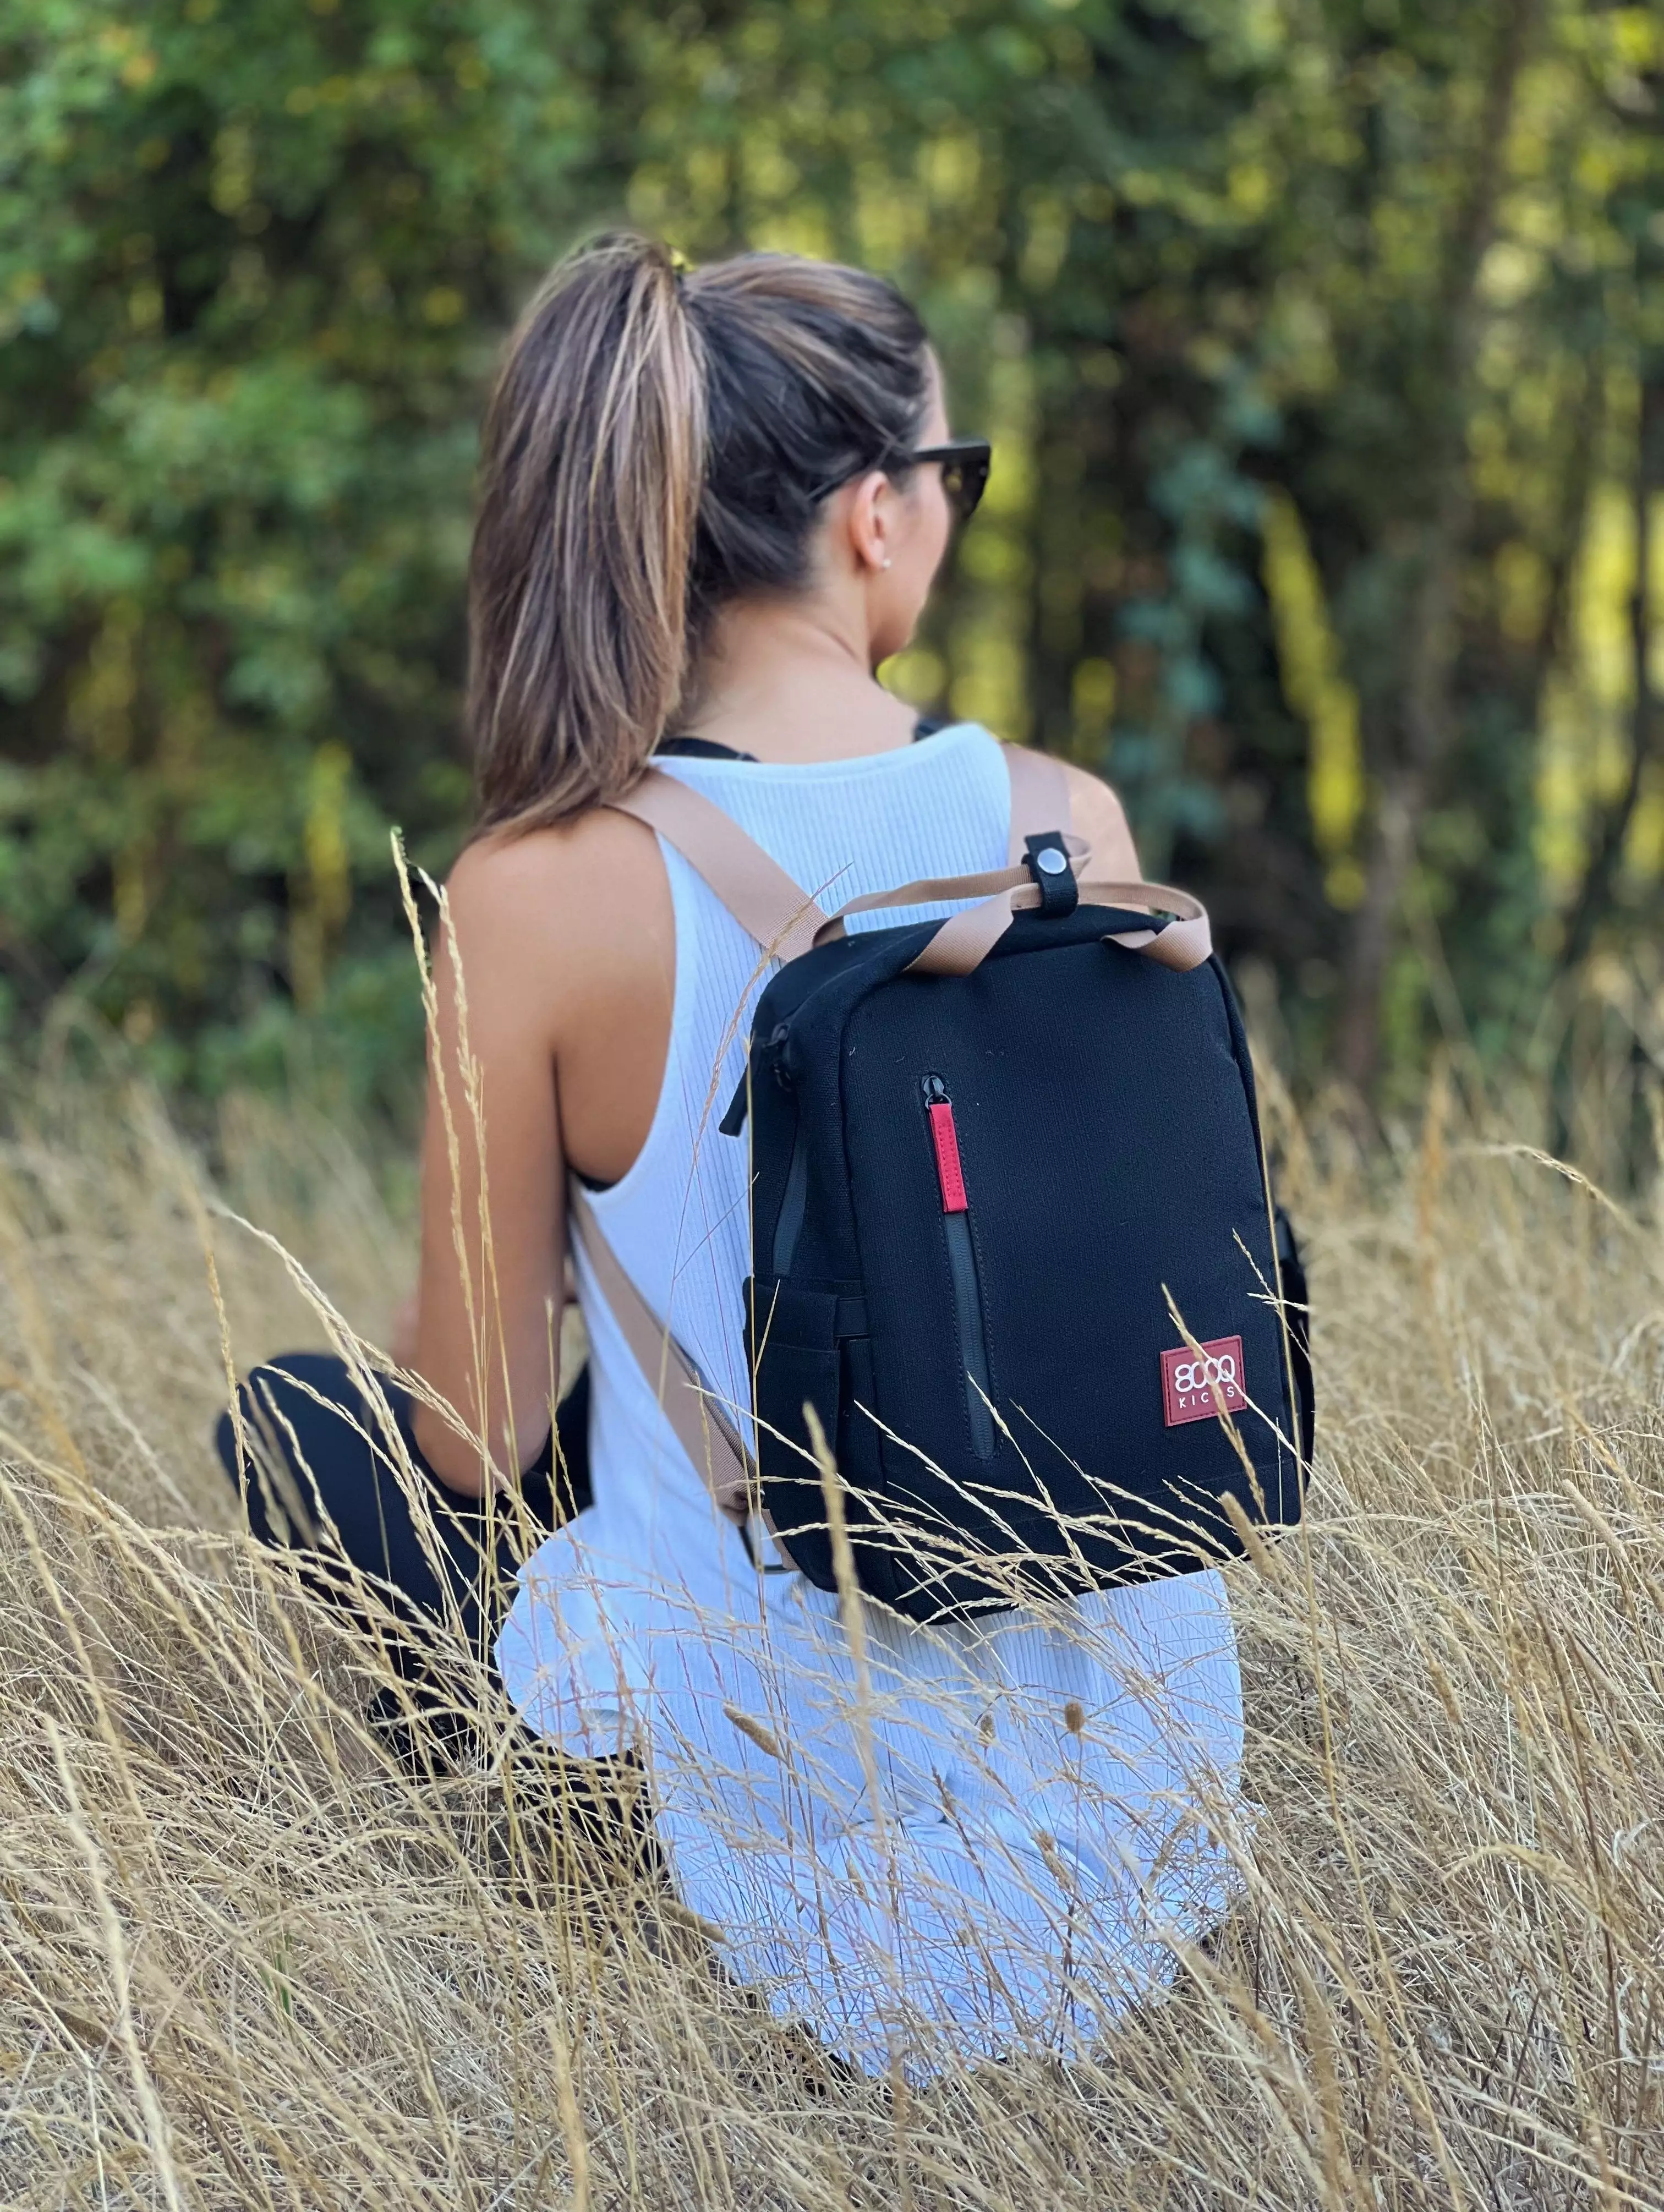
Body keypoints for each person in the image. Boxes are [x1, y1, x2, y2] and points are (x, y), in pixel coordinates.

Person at [220, 233, 1245, 2074]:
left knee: (310, 1423)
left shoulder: (536, 895)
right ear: (873, 516)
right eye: (955, 476)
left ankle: (596, 1914)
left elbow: (469, 1432)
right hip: (1136, 1825)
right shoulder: (1061, 825)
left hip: (782, 1861)